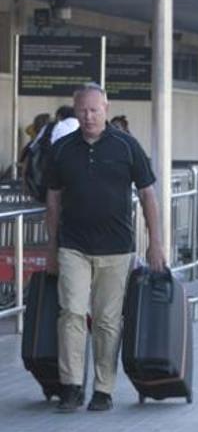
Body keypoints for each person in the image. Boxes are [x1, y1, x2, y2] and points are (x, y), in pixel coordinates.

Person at [45, 83, 166, 413]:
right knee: (70, 312)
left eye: (94, 109)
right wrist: (52, 247)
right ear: (75, 109)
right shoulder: (62, 150)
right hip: (73, 246)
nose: (88, 116)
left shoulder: (127, 147)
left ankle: (103, 388)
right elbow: (53, 201)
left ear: (106, 109)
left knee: (107, 320)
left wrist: (156, 243)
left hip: (116, 248)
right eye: (82, 110)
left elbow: (148, 196)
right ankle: (71, 386)